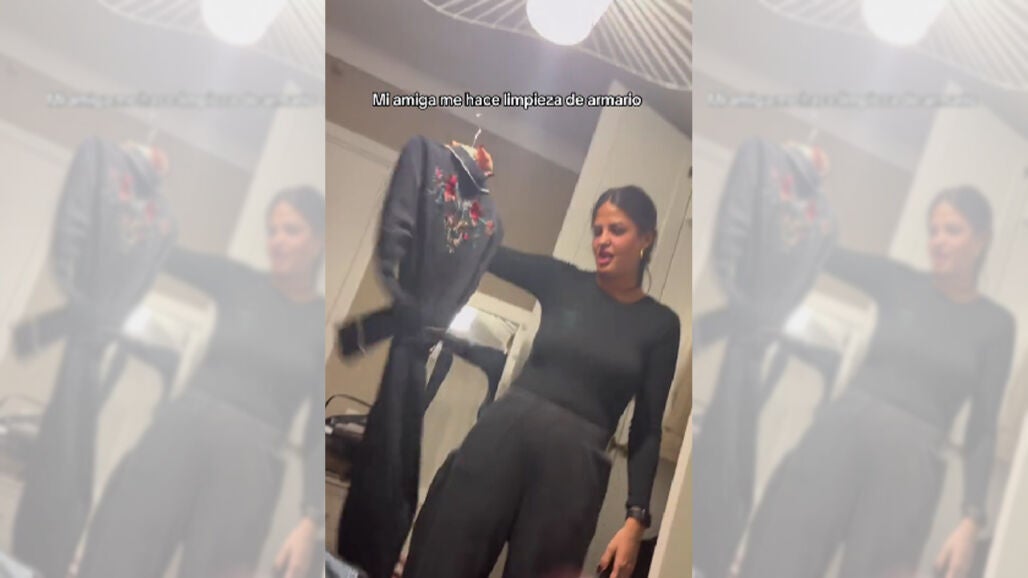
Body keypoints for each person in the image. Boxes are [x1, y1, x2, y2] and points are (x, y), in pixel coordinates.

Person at [401, 185, 682, 578]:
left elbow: (647, 427)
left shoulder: (661, 324)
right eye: (597, 230)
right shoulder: (561, 279)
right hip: (501, 436)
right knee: (445, 561)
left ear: (646, 238)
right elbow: (486, 251)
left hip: (575, 469)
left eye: (616, 230)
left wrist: (636, 519)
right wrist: (454, 200)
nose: (602, 240)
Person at [737, 187, 1016, 578]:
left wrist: (972, 518)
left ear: (981, 239)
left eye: (952, 230)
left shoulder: (996, 325)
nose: (938, 240)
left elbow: (982, 429)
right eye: (933, 230)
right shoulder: (899, 280)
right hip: (839, 434)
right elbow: (821, 249)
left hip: (911, 466)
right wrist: (798, 194)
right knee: (783, 554)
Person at [73, 187, 326, 578]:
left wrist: (310, 521)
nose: (277, 240)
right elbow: (165, 252)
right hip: (180, 432)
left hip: (249, 466)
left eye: (291, 230)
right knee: (123, 553)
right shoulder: (238, 281)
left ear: (318, 240)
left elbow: (314, 434)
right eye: (272, 230)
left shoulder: (318, 322)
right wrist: (132, 207)